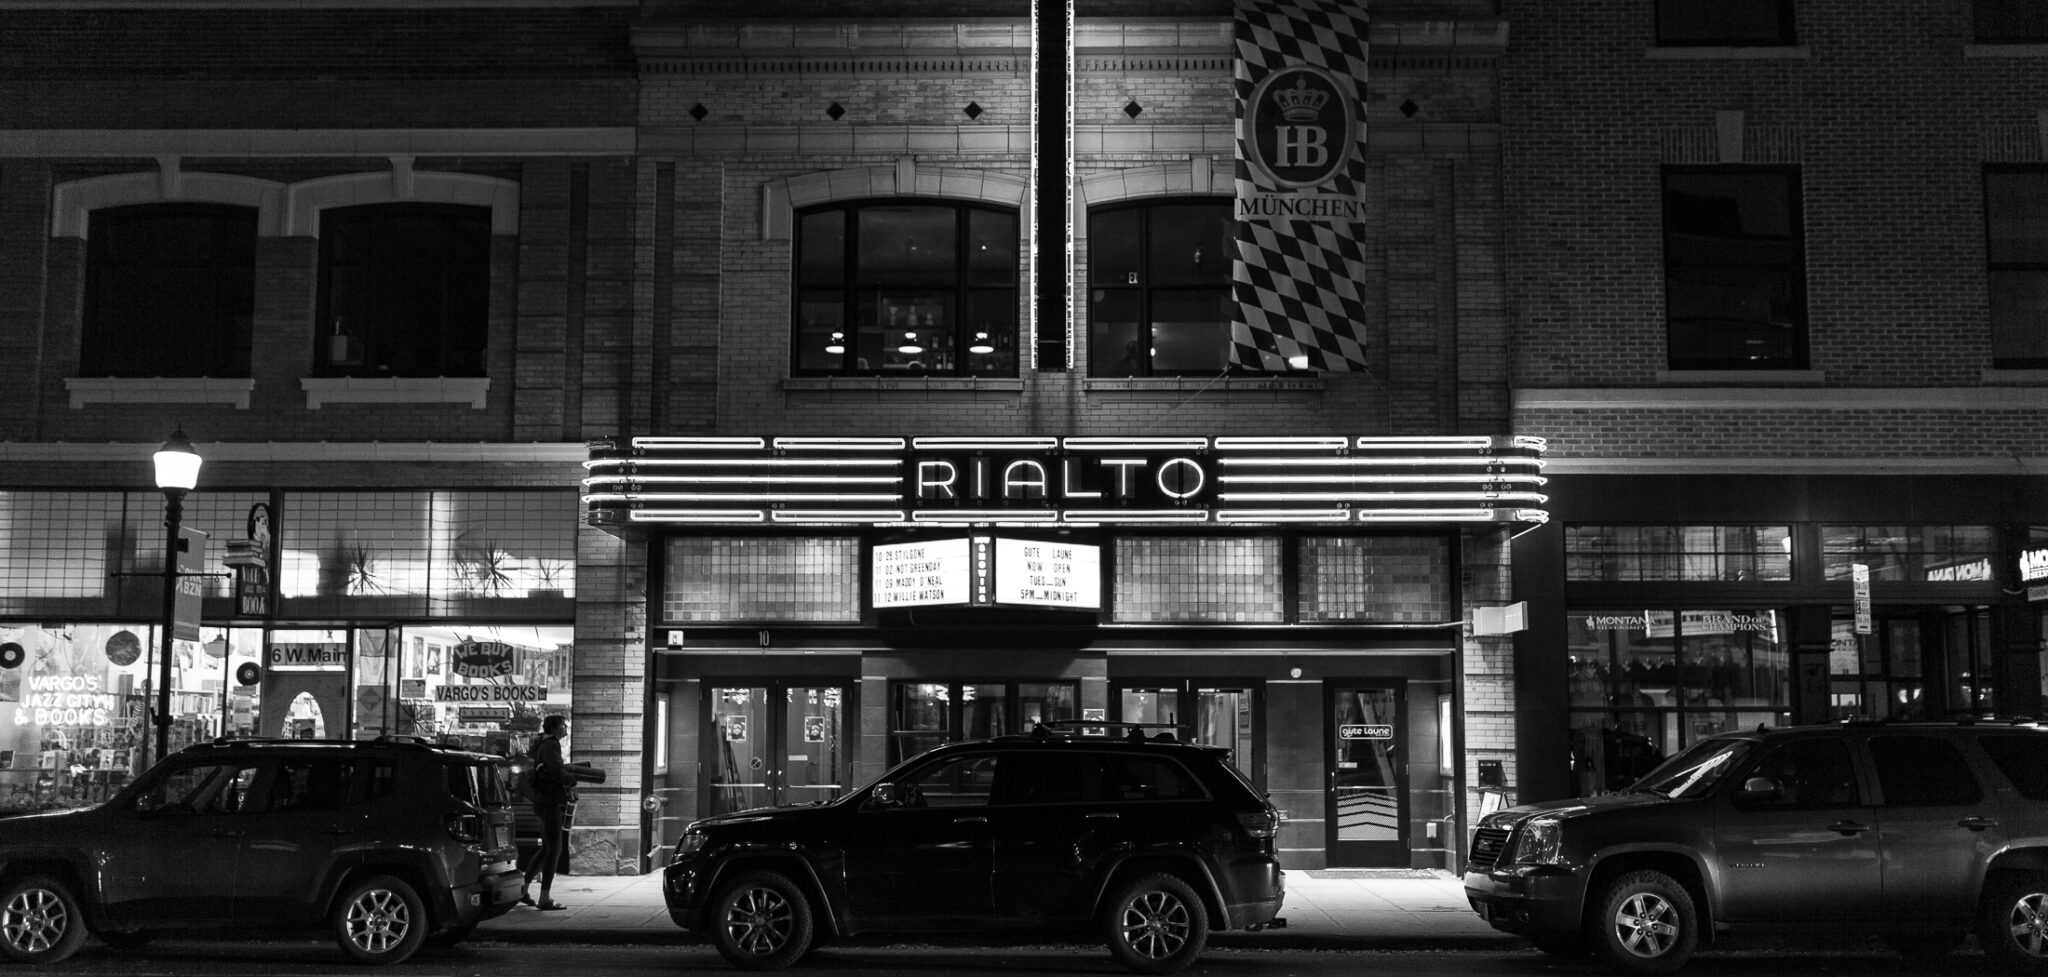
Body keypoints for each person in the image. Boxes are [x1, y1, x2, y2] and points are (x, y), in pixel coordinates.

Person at [521, 714, 574, 910]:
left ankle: (523, 890)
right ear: (554, 728)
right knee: (554, 849)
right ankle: (545, 898)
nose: (566, 727)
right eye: (563, 724)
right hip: (549, 801)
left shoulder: (544, 744)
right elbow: (556, 771)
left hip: (542, 800)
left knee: (546, 849)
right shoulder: (551, 745)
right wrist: (571, 780)